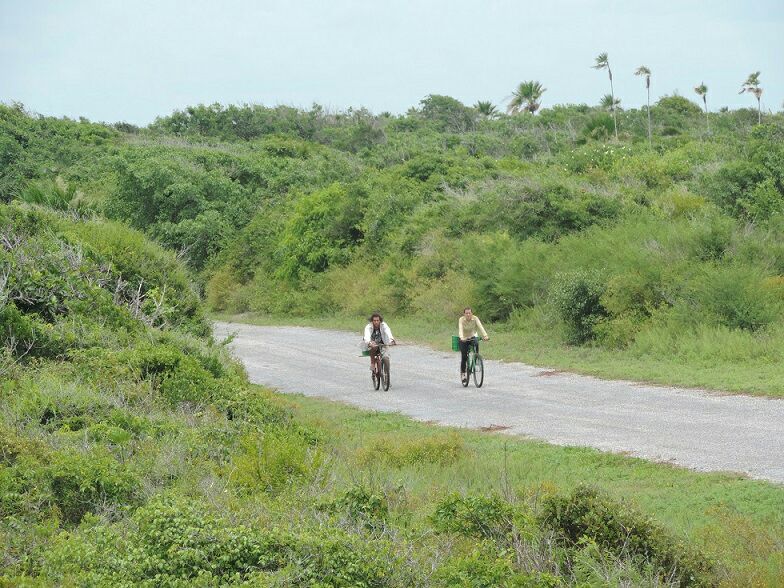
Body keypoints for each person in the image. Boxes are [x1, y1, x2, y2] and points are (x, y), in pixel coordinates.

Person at [458, 307, 489, 384]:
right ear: (464, 314)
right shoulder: (461, 319)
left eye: (469, 313)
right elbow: (460, 329)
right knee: (464, 356)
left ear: (472, 313)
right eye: (466, 313)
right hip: (463, 339)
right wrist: (462, 337)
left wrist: (485, 335)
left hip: (472, 337)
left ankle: (476, 358)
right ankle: (463, 374)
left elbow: (480, 326)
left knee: (476, 342)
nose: (468, 314)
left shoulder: (475, 318)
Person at [362, 312, 395, 380]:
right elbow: (367, 336)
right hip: (372, 343)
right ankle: (372, 363)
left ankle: (387, 377)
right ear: (372, 321)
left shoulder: (384, 325)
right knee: (374, 347)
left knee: (386, 358)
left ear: (380, 321)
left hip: (383, 344)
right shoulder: (368, 327)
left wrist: (391, 340)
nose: (376, 322)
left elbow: (388, 331)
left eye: (377, 320)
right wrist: (369, 342)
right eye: (374, 320)